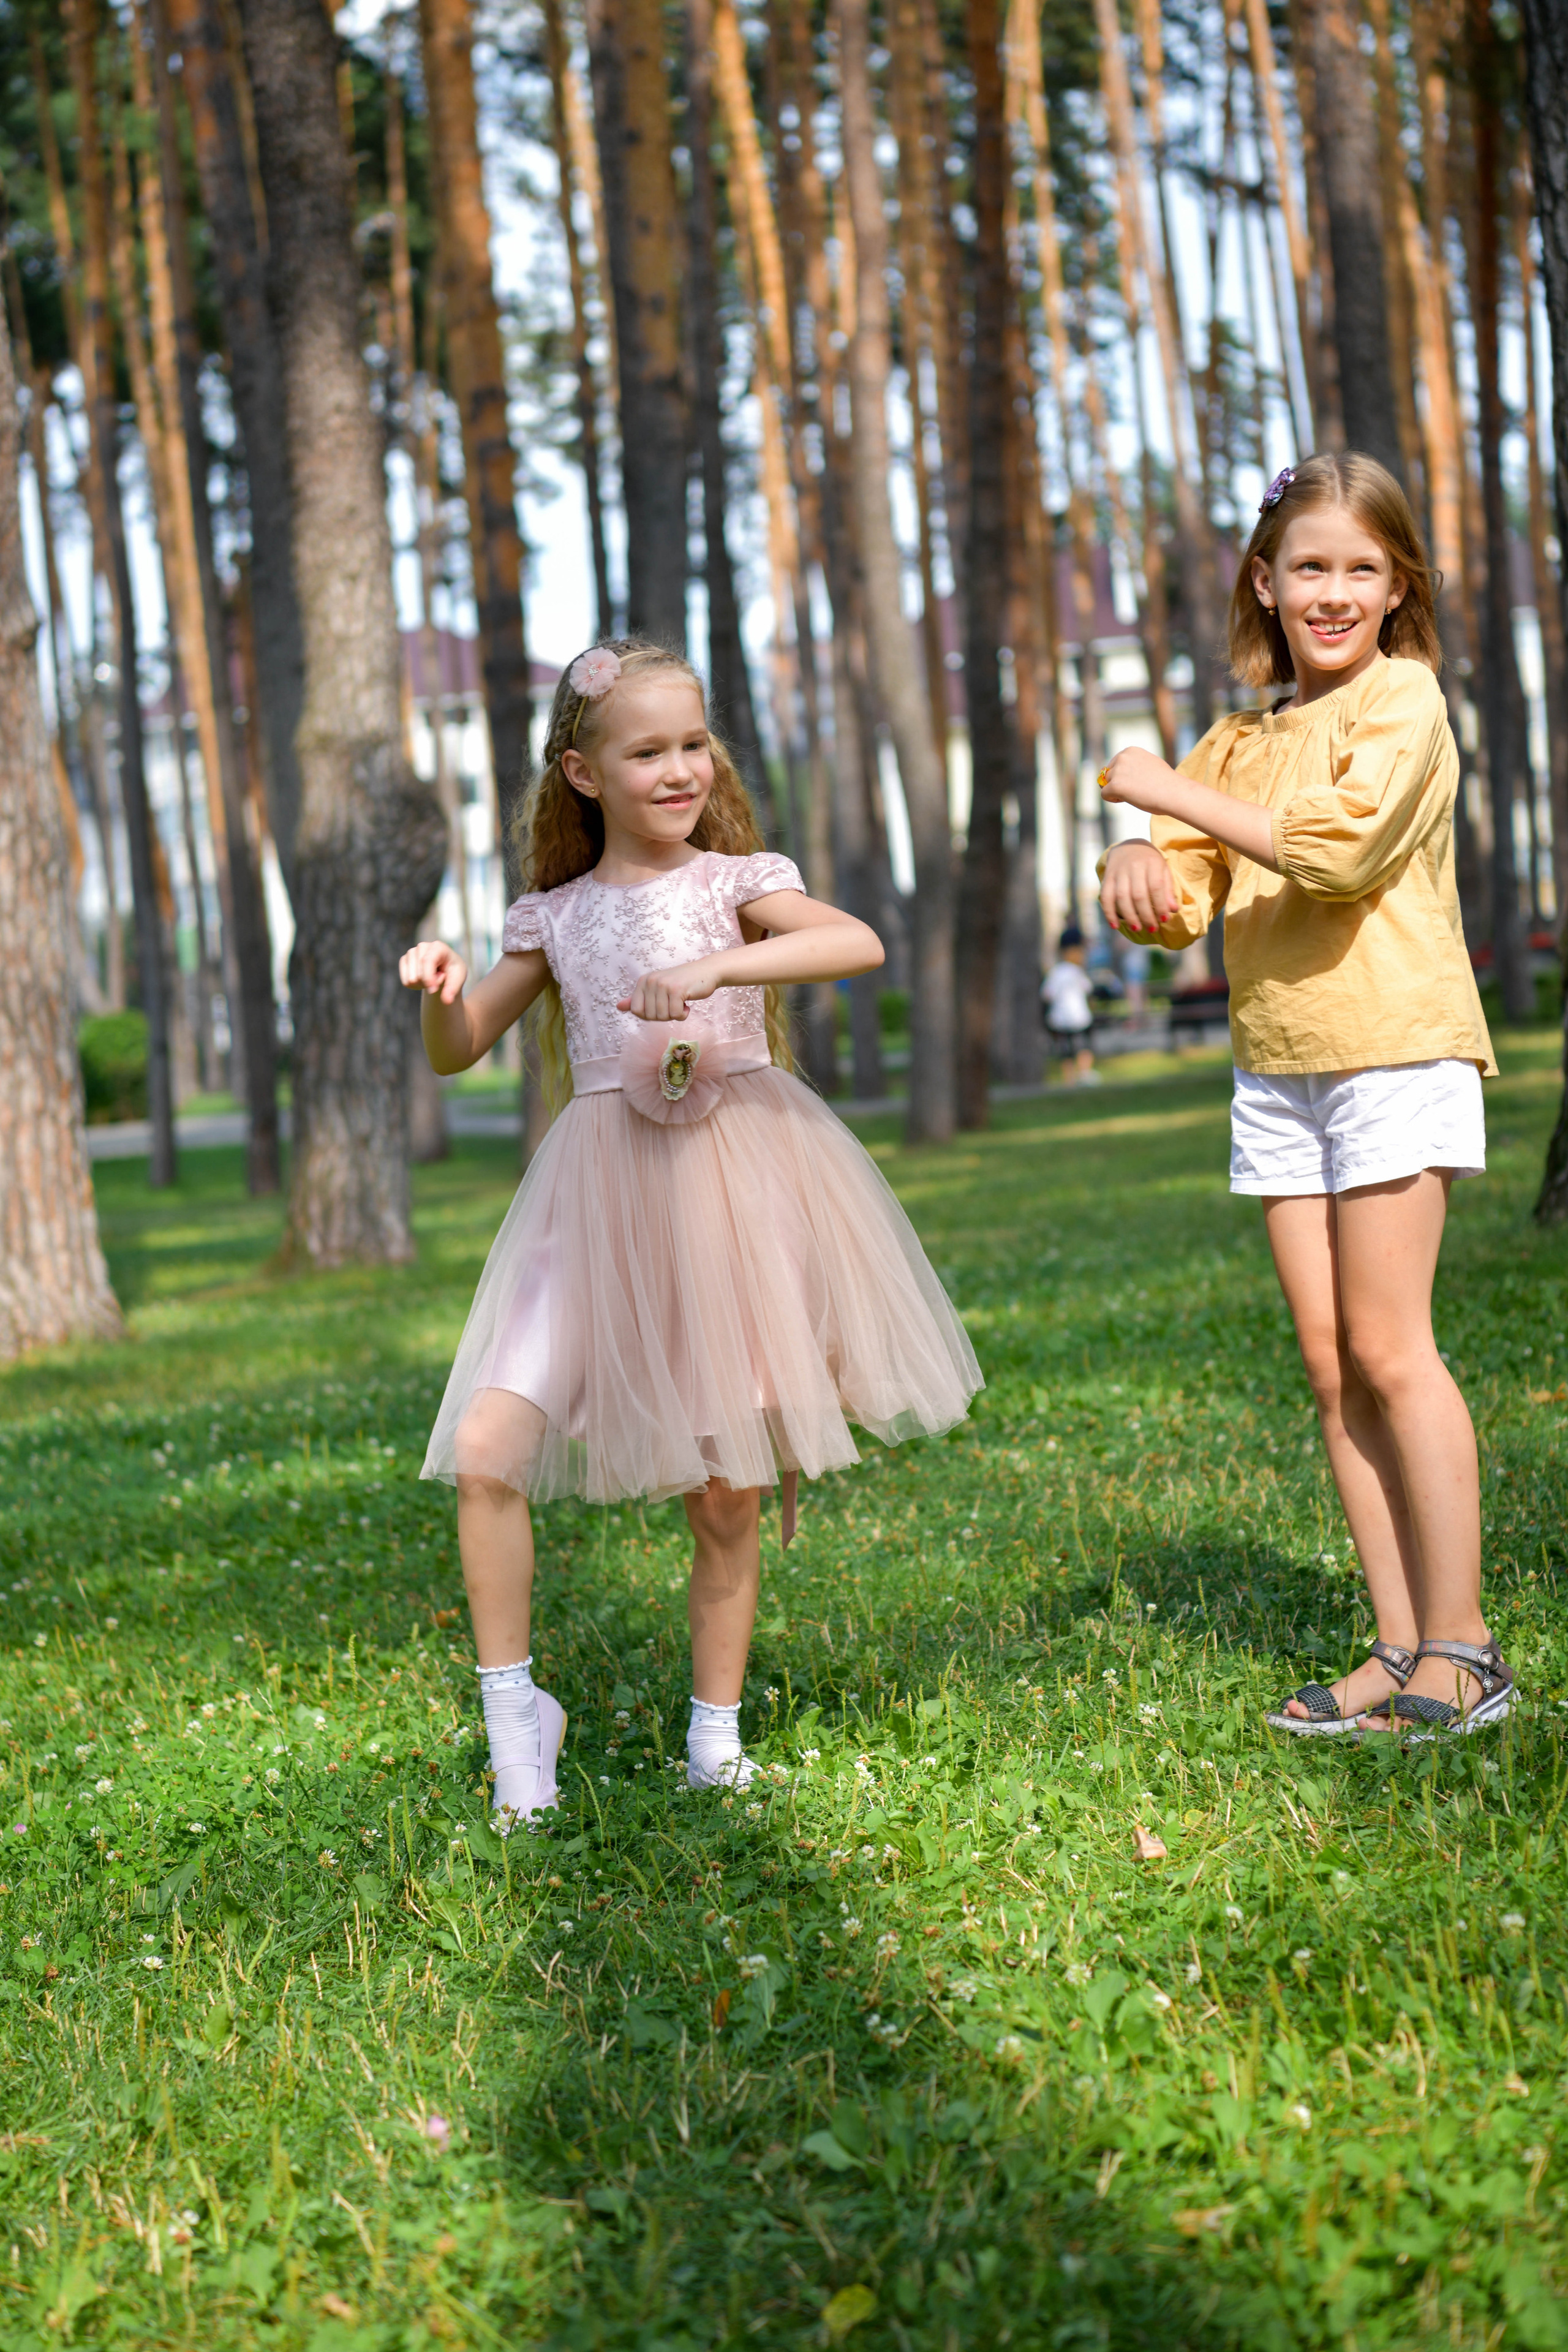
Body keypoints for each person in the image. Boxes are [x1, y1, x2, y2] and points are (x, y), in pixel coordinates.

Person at [401, 638, 982, 1824]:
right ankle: (519, 1727)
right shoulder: (550, 917)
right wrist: (438, 994)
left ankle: (712, 1737)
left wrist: (714, 965)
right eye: (646, 751)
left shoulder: (735, 879)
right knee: (483, 1449)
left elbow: (851, 941)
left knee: (724, 1493)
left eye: (693, 745)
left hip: (734, 1185)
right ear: (581, 773)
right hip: (598, 1196)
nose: (679, 771)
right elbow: (461, 1052)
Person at [1098, 453, 1512, 1738]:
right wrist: (1132, 858)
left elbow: (1334, 857)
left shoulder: (1403, 701)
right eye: (1306, 568)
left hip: (1392, 1046)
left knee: (1394, 1351)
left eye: (1358, 569)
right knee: (1333, 1373)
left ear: (1397, 589)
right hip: (1278, 1071)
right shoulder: (1239, 737)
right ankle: (1397, 1650)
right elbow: (1181, 897)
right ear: (1262, 584)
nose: (1330, 591)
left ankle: (1466, 1648)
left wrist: (1155, 791)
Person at [1040, 924, 1099, 1085]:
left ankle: (1070, 1079)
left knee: (1066, 1051)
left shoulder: (1055, 972)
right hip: (1079, 1017)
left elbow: (1047, 995)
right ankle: (1085, 1074)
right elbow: (1088, 990)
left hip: (1060, 1018)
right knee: (1083, 1047)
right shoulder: (1076, 971)